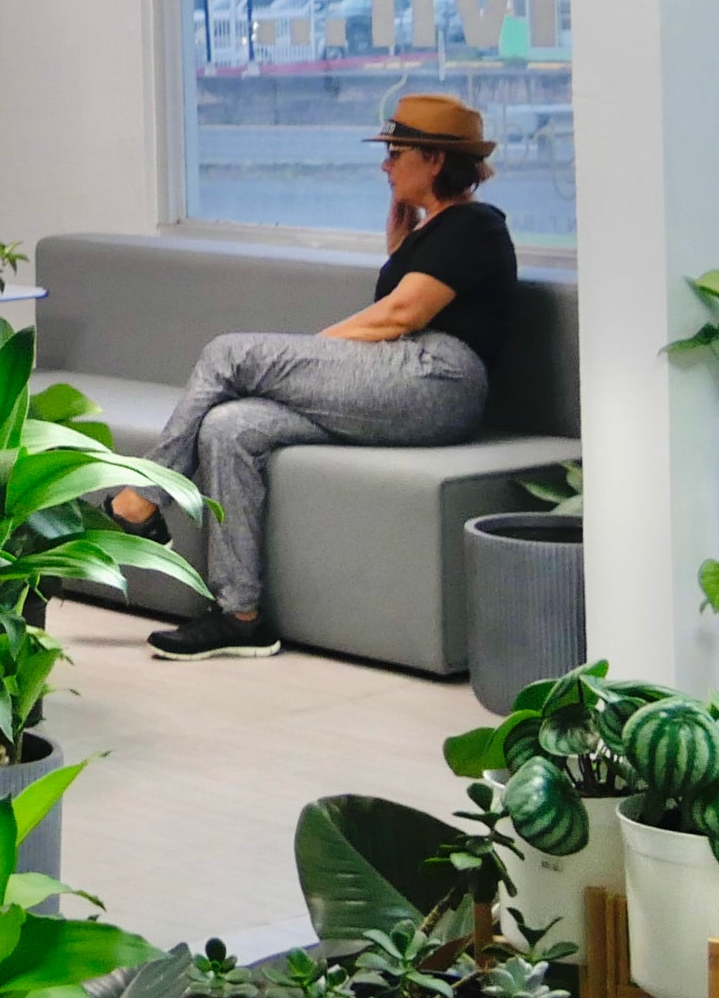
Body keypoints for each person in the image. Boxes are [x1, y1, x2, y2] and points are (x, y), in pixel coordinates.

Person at [106, 93, 516, 661]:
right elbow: (401, 297)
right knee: (230, 428)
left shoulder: (476, 225)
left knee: (230, 354)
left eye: (396, 153)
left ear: (436, 159)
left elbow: (401, 316)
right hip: (403, 380)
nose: (385, 166)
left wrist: (301, 359)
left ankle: (143, 500)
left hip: (439, 380)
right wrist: (401, 224)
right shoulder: (437, 229)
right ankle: (240, 615)